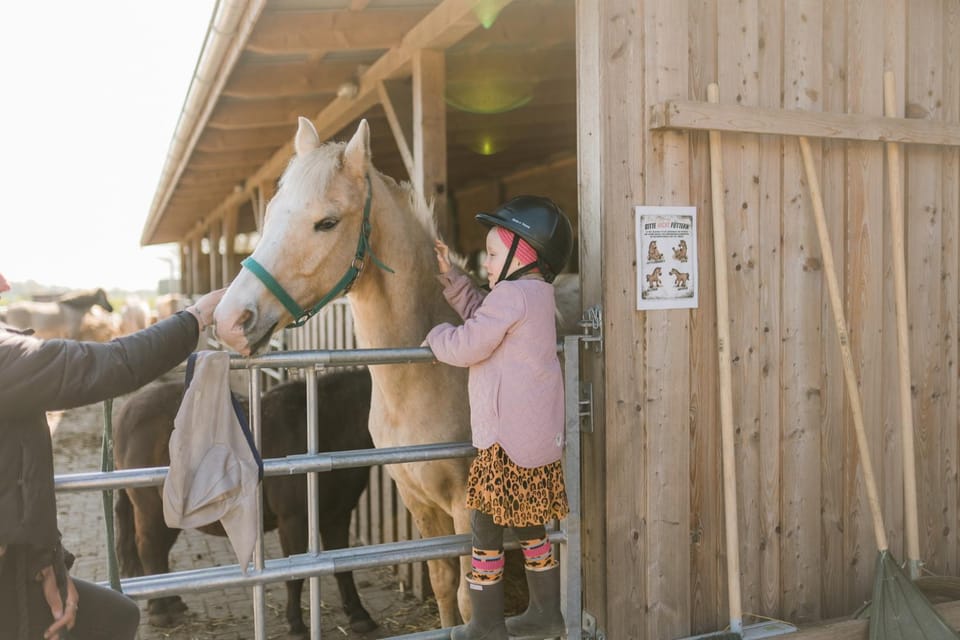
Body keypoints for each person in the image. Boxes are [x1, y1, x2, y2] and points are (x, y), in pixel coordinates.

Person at [0, 271, 226, 640]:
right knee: (113, 619)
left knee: (115, 617)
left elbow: (18, 474)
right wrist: (195, 318)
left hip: (17, 562)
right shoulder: (7, 359)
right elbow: (109, 363)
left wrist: (49, 563)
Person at [423, 196, 574, 640]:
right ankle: (547, 615)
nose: (485, 262)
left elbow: (471, 341)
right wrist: (453, 277)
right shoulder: (533, 294)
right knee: (531, 526)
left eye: (491, 254)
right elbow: (483, 313)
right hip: (534, 442)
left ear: (520, 253)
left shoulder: (510, 296)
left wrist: (436, 337)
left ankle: (486, 625)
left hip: (506, 443)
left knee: (485, 528)